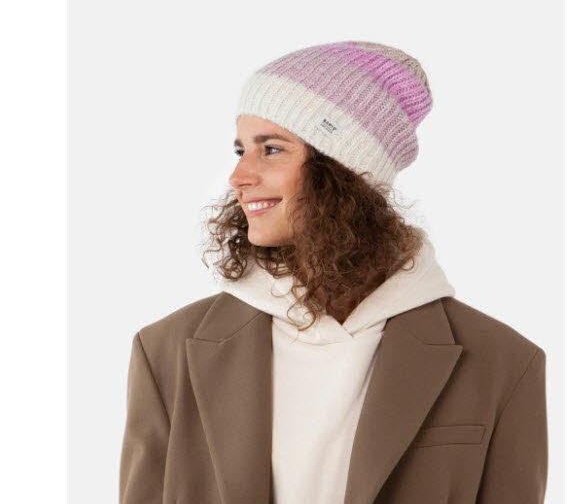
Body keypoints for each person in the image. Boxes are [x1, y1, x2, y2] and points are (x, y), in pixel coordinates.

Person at [119, 41, 548, 504]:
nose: (239, 176)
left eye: (272, 149)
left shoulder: (503, 362)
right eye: (241, 149)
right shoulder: (165, 352)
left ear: (344, 172)